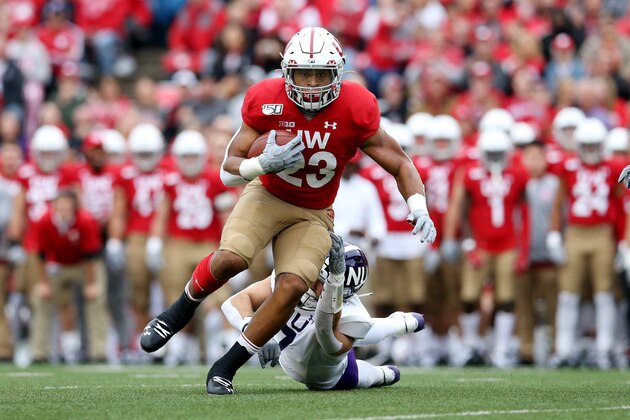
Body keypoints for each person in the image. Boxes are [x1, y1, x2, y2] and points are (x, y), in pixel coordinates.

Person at [140, 27, 436, 395]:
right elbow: (226, 168)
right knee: (232, 259)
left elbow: (401, 164)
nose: (311, 84)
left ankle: (225, 367)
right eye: (303, 73)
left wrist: (418, 205)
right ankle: (179, 311)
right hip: (266, 195)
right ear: (286, 73)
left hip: (313, 211)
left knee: (294, 285)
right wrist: (262, 163)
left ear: (338, 73)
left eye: (321, 74)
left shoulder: (357, 105)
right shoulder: (265, 98)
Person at [221, 235, 424, 390]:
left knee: (378, 372)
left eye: (326, 286)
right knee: (361, 328)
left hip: (331, 375)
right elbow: (234, 302)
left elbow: (326, 334)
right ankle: (402, 323)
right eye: (319, 280)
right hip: (290, 359)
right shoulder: (294, 279)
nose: (317, 288)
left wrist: (333, 288)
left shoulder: (352, 312)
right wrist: (252, 330)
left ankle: (398, 327)